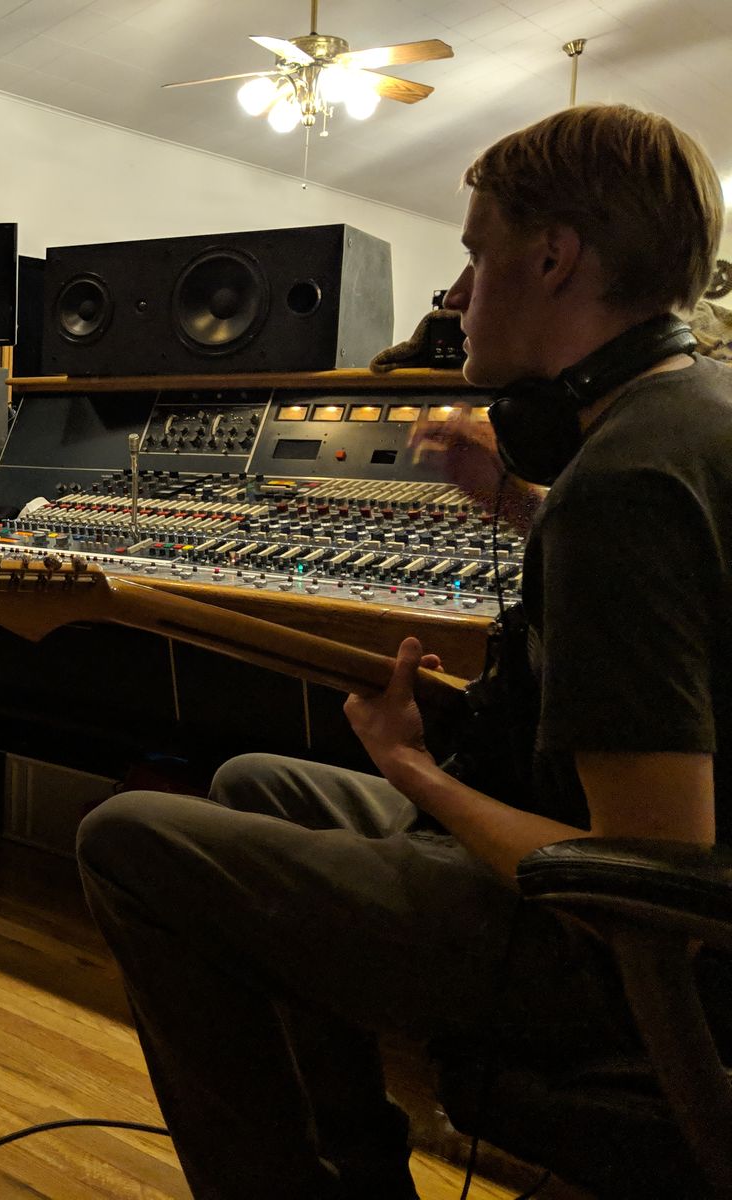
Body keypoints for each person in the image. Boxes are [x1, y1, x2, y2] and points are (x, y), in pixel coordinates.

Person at [77, 104, 730, 1198]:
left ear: (553, 259)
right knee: (256, 781)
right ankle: (355, 1172)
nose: (457, 293)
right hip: (600, 891)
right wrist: (518, 506)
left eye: (475, 253)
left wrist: (414, 769)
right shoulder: (688, 417)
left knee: (126, 838)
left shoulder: (625, 483)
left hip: (624, 961)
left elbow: (650, 868)